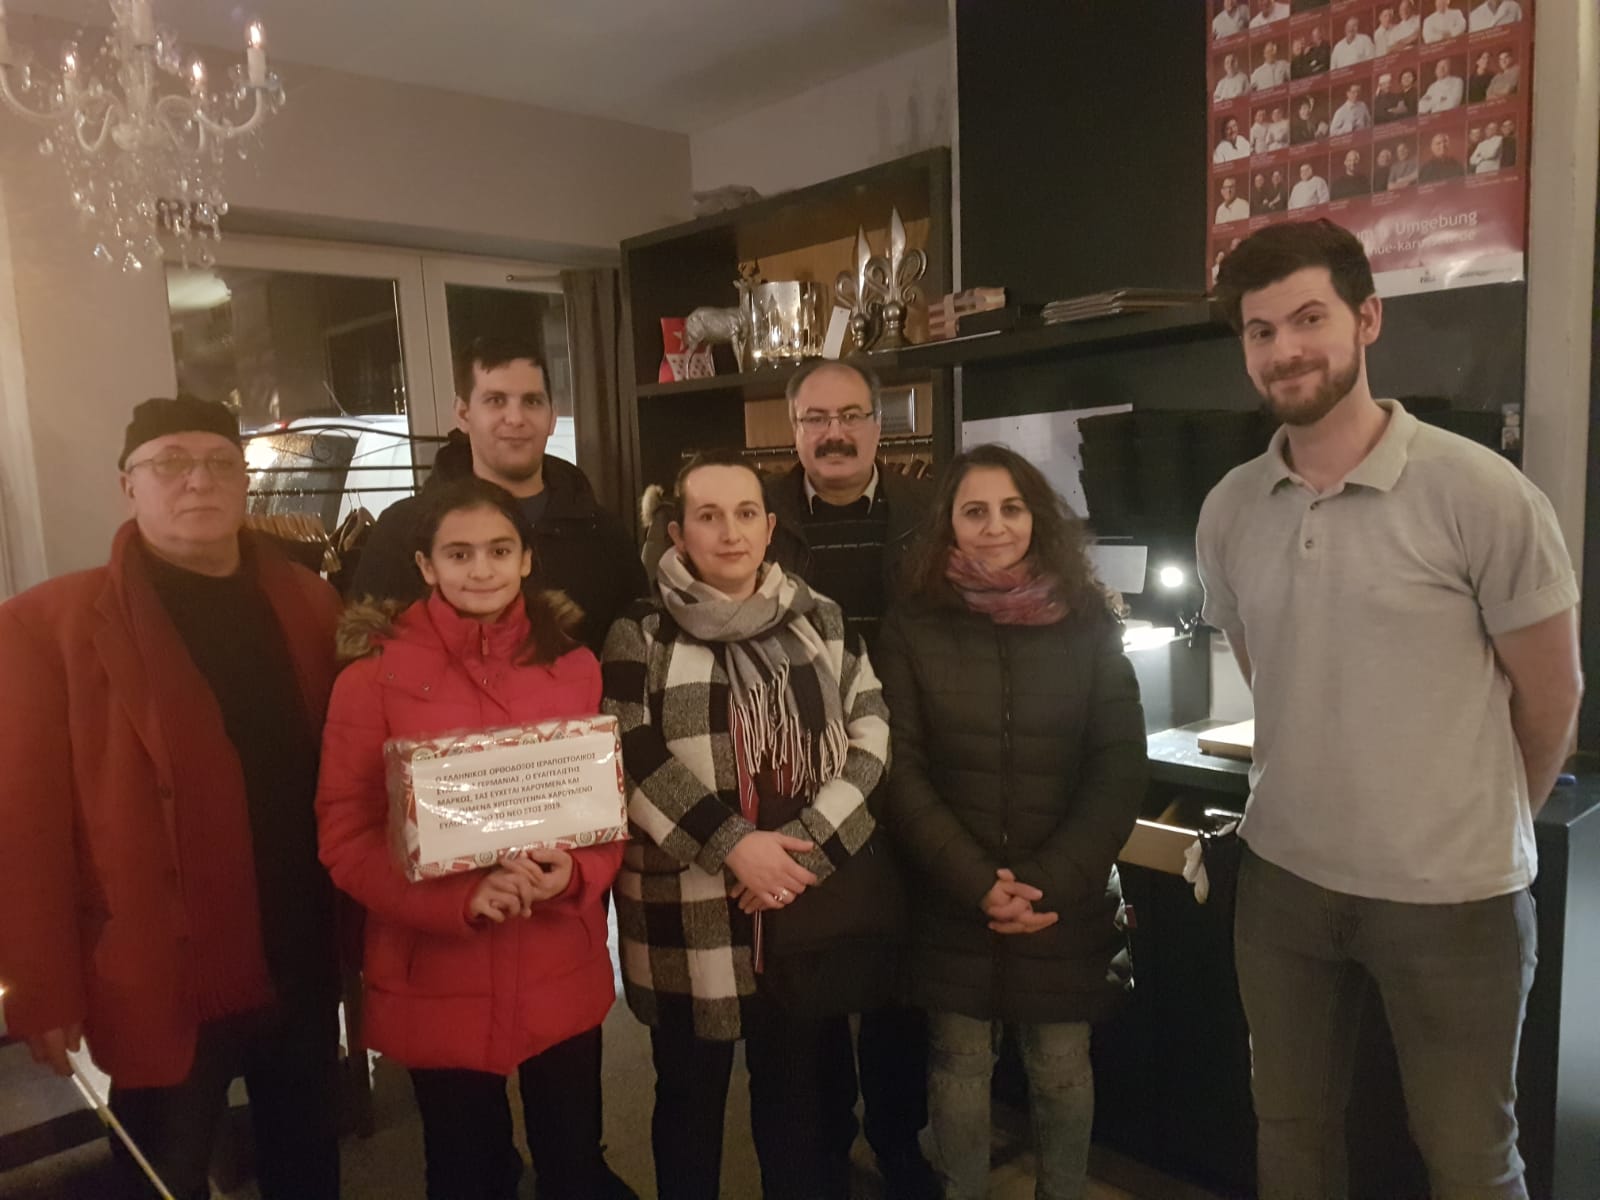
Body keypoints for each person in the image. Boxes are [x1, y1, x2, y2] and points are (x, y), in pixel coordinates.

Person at [1202, 218, 1582, 1200]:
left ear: (1367, 319)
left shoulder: (1482, 494)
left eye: (1309, 318)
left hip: (1455, 901)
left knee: (1469, 1160)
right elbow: (1266, 668)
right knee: (1291, 1139)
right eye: (1259, 331)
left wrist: (1476, 823)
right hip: (1285, 882)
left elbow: (1552, 696)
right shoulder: (1229, 509)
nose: (1284, 348)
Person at [0, 396, 343, 1200]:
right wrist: (41, 986)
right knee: (164, 1174)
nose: (199, 480)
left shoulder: (310, 602)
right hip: (157, 966)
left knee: (308, 1163)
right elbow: (25, 825)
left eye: (221, 462)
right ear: (129, 484)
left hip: (298, 944)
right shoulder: (46, 626)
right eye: (171, 463)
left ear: (245, 481)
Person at [317, 477, 626, 1200]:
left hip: (556, 954)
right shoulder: (371, 679)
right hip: (437, 966)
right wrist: (454, 901)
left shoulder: (574, 666)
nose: (480, 569)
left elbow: (603, 806)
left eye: (498, 550)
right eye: (458, 554)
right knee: (464, 1171)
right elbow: (346, 833)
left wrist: (577, 873)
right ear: (425, 566)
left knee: (574, 1161)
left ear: (526, 559)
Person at [603, 452, 894, 1200]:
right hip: (685, 907)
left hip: (797, 901)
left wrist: (802, 856)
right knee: (688, 1100)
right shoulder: (642, 630)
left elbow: (870, 737)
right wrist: (735, 846)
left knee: (795, 1100)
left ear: (768, 529)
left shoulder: (820, 619)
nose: (729, 532)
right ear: (678, 533)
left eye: (744, 515)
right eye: (708, 516)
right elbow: (629, 752)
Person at [875, 443, 1147, 1200]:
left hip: (1061, 898)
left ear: (1036, 517)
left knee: (1062, 1068)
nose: (995, 526)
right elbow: (898, 767)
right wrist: (975, 883)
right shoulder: (913, 626)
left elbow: (1119, 764)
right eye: (975, 511)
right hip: (952, 894)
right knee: (958, 1066)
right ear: (949, 525)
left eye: (1011, 508)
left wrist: (1049, 882)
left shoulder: (1088, 624)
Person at [747, 357, 941, 1198]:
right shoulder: (760, 515)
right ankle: (826, 1141)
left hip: (913, 768)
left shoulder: (930, 514)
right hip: (801, 781)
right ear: (793, 429)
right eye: (816, 418)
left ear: (878, 423)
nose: (835, 433)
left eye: (852, 415)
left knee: (902, 977)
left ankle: (899, 1139)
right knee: (816, 965)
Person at [350, 336, 645, 656]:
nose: (515, 418)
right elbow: (369, 661)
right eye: (496, 400)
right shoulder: (402, 533)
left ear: (552, 418)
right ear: (463, 414)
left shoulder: (605, 537)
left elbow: (637, 656)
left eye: (532, 401)